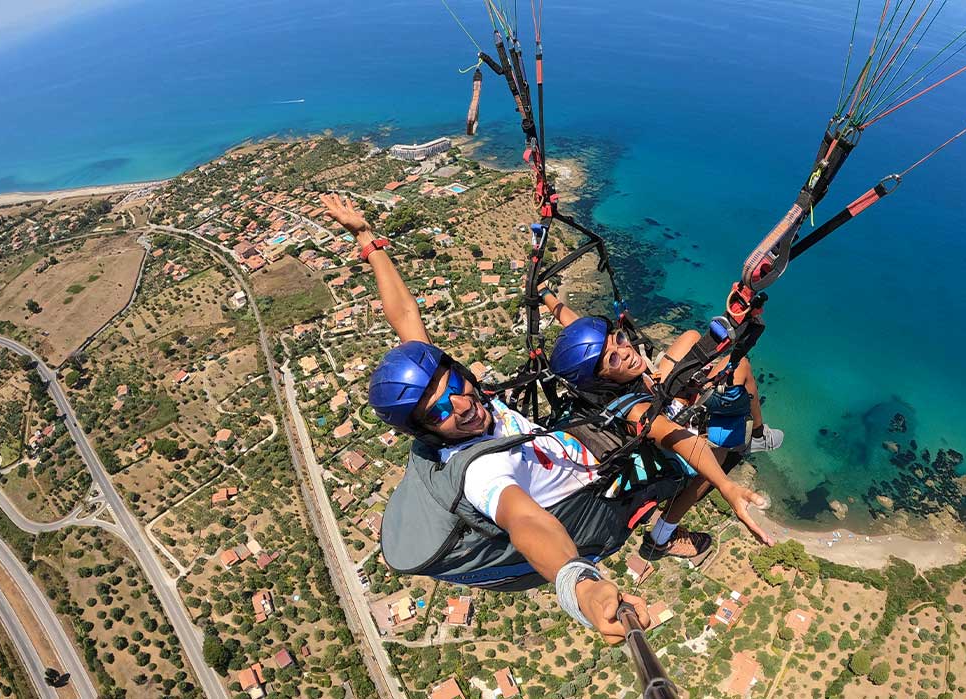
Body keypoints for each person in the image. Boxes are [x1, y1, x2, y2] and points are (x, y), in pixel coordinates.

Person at [318, 194, 772, 644]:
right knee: (713, 458)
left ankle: (738, 436)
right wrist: (582, 586)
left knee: (696, 344)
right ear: (426, 428)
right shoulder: (481, 472)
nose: (459, 404)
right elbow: (527, 523)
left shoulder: (473, 405)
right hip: (604, 482)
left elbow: (406, 321)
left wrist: (368, 241)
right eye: (440, 410)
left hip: (572, 434)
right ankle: (665, 534)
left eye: (455, 385)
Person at [540, 288, 785, 561]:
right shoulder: (635, 411)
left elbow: (574, 325)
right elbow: (675, 437)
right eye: (613, 359)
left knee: (692, 338)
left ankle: (757, 433)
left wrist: (547, 296)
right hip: (665, 448)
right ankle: (662, 535)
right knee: (726, 424)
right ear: (601, 378)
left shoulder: (606, 379)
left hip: (656, 395)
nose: (626, 351)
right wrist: (727, 486)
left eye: (619, 339)